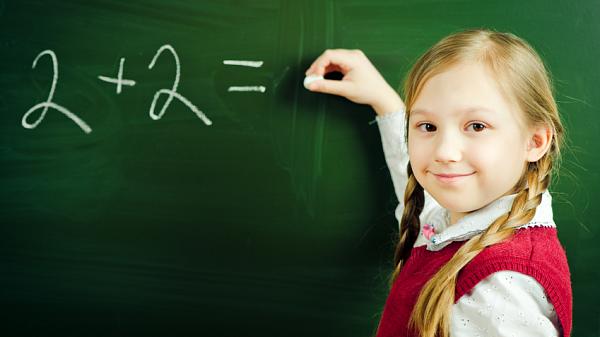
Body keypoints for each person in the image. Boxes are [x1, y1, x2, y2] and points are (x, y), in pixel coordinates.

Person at [304, 29, 572, 337]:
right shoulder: (460, 221)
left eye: (476, 126)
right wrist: (385, 101)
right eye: (427, 126)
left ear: (535, 141)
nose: (444, 152)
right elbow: (422, 202)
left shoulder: (503, 286)